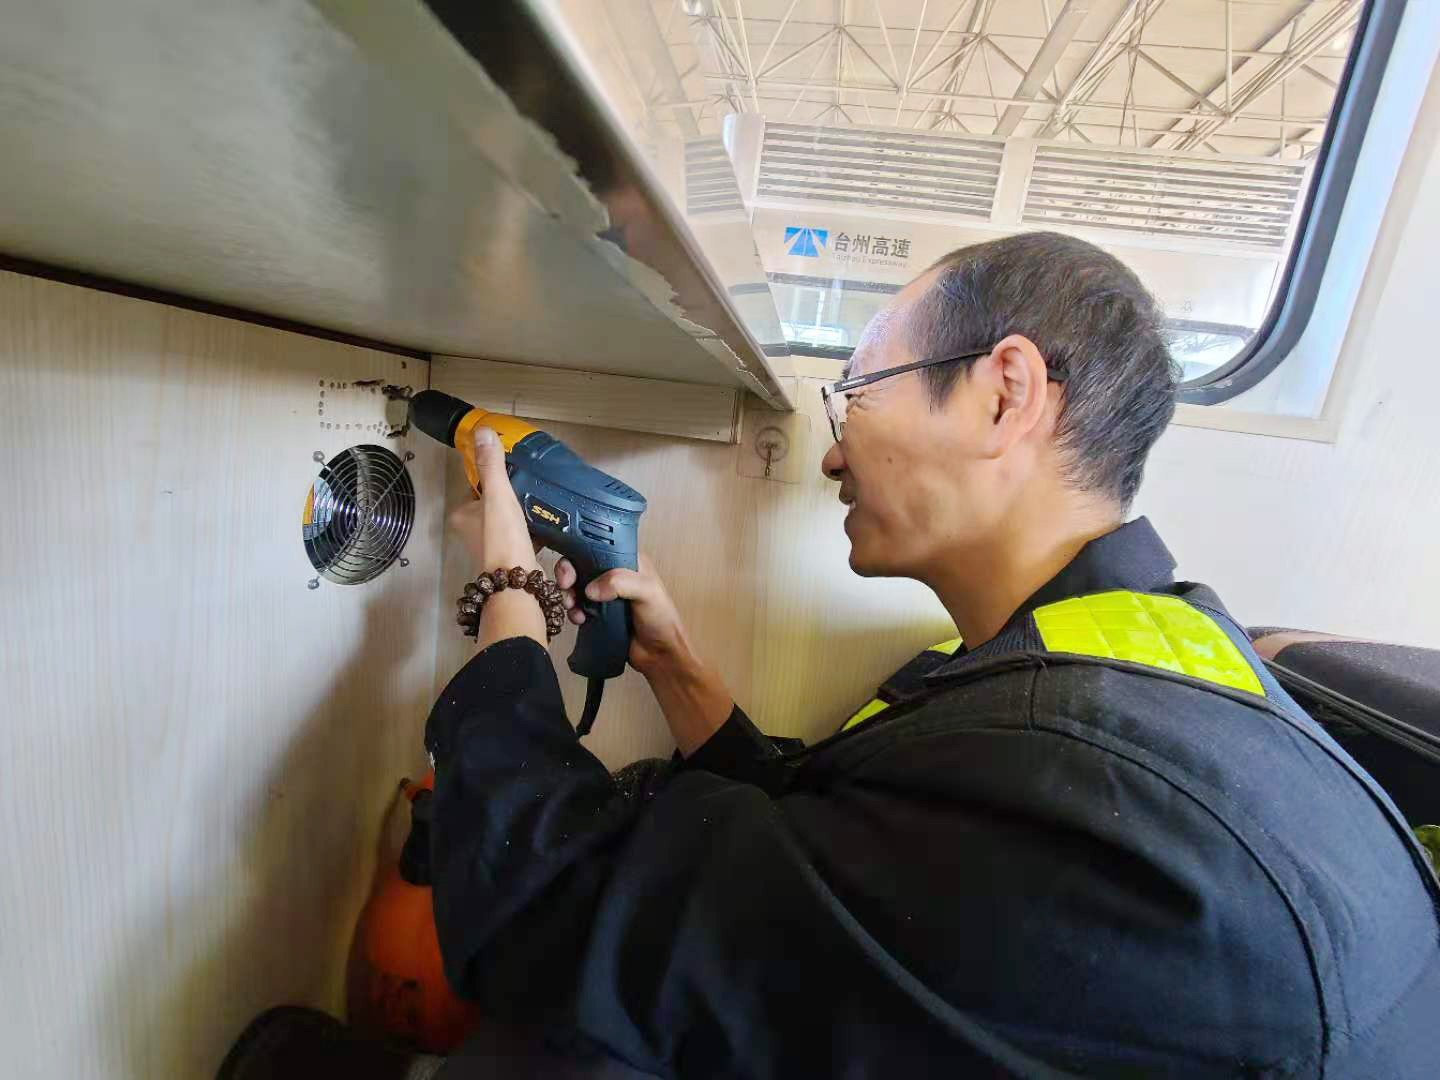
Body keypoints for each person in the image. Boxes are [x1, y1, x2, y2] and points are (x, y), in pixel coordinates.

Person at [421, 232, 1440, 1078]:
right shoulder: (1151, 646)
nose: (831, 452)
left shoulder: (1056, 778)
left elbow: (545, 913)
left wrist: (508, 594)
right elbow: (846, 862)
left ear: (1006, 393)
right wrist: (678, 670)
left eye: (856, 395)